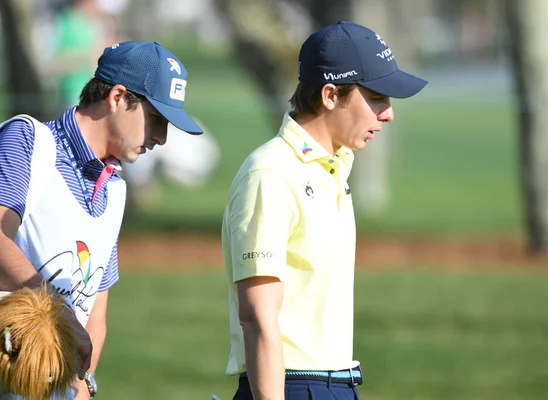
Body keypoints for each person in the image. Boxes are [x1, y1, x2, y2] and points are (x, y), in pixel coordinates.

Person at [221, 21, 427, 400]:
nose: (388, 114)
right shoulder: (270, 173)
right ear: (330, 95)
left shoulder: (335, 167)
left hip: (336, 383)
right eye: (378, 97)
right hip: (291, 386)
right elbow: (257, 315)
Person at [0, 40, 202, 399]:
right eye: (156, 119)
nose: (161, 138)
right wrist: (59, 313)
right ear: (118, 98)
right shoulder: (29, 141)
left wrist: (84, 386)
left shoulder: (116, 189)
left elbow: (94, 309)